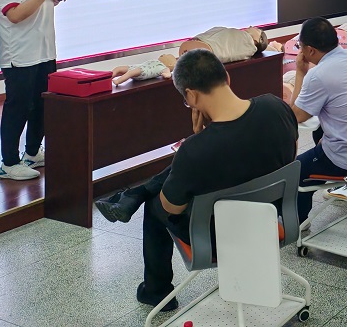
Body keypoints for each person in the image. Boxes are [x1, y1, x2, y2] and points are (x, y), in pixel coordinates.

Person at [97, 49, 298, 311]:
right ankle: (132, 196)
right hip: (271, 220)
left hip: (218, 236)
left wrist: (198, 139)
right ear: (227, 77)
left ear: (191, 96)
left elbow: (171, 208)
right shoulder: (276, 106)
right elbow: (291, 154)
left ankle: (156, 292)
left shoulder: (195, 150)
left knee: (155, 206)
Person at [0, 0, 69, 181]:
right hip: (20, 55)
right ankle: (9, 163)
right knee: (19, 108)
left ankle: (33, 153)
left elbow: (37, 5)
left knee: (42, 105)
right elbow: (15, 15)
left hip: (45, 50)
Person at [290, 18, 347, 223]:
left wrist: (300, 72)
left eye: (300, 46)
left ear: (310, 50)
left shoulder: (318, 75)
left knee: (295, 170)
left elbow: (295, 116)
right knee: (320, 141)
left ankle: (296, 223)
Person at [178, 25, 268, 62]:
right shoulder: (243, 43)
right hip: (201, 46)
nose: (251, 26)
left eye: (257, 29)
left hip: (203, 48)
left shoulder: (247, 42)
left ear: (259, 40)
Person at [111, 53, 177, 86]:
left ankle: (118, 81)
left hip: (143, 72)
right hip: (137, 67)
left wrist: (166, 74)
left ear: (170, 64)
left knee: (130, 73)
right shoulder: (156, 61)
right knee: (118, 68)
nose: (163, 55)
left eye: (166, 56)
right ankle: (109, 77)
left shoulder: (163, 67)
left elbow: (168, 74)